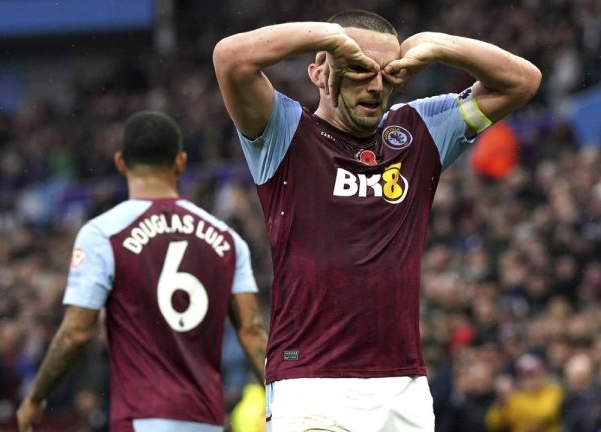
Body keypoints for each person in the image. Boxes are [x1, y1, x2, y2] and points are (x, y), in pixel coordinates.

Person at [213, 9, 540, 430]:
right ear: (319, 73)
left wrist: (438, 44)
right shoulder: (283, 130)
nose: (376, 85)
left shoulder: (421, 130)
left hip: (403, 387)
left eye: (388, 73)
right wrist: (329, 35)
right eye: (358, 69)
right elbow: (230, 58)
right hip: (309, 382)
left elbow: (524, 80)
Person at [16, 111, 267, 432]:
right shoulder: (227, 238)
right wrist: (283, 402)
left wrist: (36, 397)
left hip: (142, 416)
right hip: (207, 419)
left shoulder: (103, 234)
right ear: (180, 163)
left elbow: (76, 333)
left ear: (120, 163)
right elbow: (251, 332)